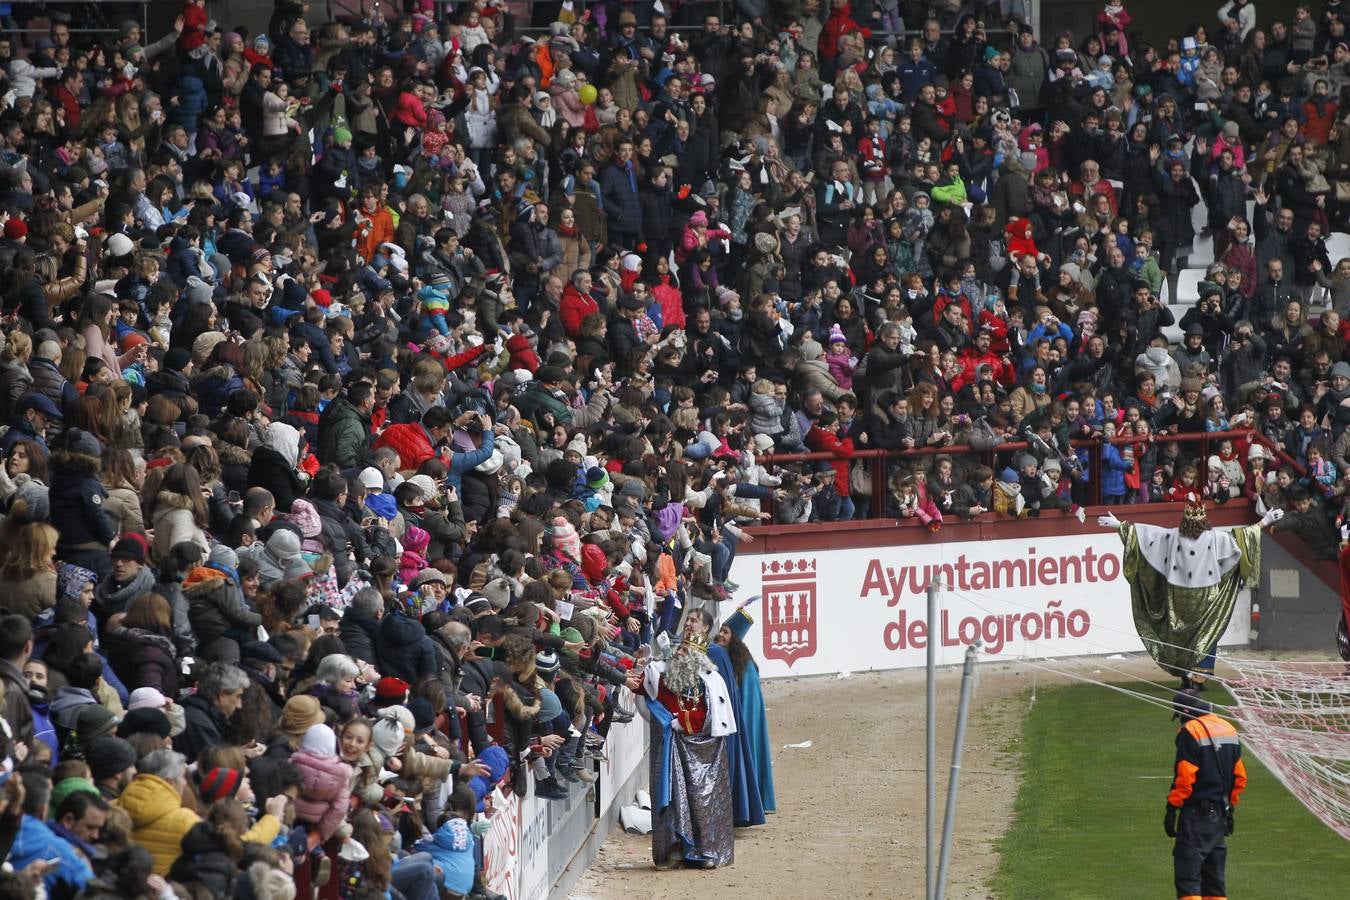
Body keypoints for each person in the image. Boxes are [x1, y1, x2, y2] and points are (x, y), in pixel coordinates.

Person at [1098, 497, 1278, 687]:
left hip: (1177, 597)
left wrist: (1119, 525)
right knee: (1209, 630)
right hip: (1206, 597)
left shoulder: (1171, 537)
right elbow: (1243, 538)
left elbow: (1145, 535)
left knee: (1181, 633)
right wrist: (1265, 521)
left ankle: (1186, 673)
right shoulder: (1215, 538)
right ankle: (1199, 674)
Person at [641, 629, 736, 869]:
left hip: (702, 753)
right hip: (673, 749)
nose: (678, 653)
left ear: (694, 657)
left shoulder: (710, 683)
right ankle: (675, 850)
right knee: (673, 800)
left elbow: (707, 716)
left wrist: (682, 722)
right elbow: (651, 689)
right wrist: (646, 663)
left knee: (701, 802)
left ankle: (704, 851)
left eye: (683, 650)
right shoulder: (674, 675)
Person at [1165, 688, 1246, 900]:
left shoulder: (1191, 730)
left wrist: (1172, 808)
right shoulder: (1228, 728)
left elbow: (1185, 776)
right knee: (1214, 883)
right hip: (1219, 815)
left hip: (1196, 817)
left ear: (1184, 711)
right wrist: (1230, 808)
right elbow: (1240, 777)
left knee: (1188, 879)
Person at [716, 604, 776, 814]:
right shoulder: (722, 657)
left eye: (726, 632)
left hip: (741, 720)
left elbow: (748, 703)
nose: (721, 635)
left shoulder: (746, 666)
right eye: (721, 630)